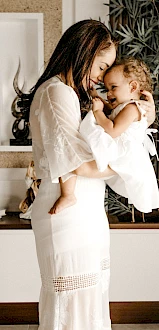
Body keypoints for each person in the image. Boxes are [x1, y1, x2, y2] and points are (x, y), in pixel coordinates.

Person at [26, 20, 155, 330]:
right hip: (68, 211)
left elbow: (100, 147)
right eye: (100, 66)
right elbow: (79, 165)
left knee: (85, 300)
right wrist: (132, 164)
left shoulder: (68, 93)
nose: (100, 78)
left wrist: (139, 120)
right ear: (83, 52)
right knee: (72, 304)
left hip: (84, 210)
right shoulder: (57, 92)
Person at [80, 57, 159, 214]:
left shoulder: (132, 109)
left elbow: (113, 129)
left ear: (133, 87)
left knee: (82, 166)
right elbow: (113, 112)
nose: (108, 94)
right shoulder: (126, 106)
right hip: (121, 147)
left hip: (126, 152)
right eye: (106, 89)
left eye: (113, 87)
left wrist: (97, 111)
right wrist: (97, 97)